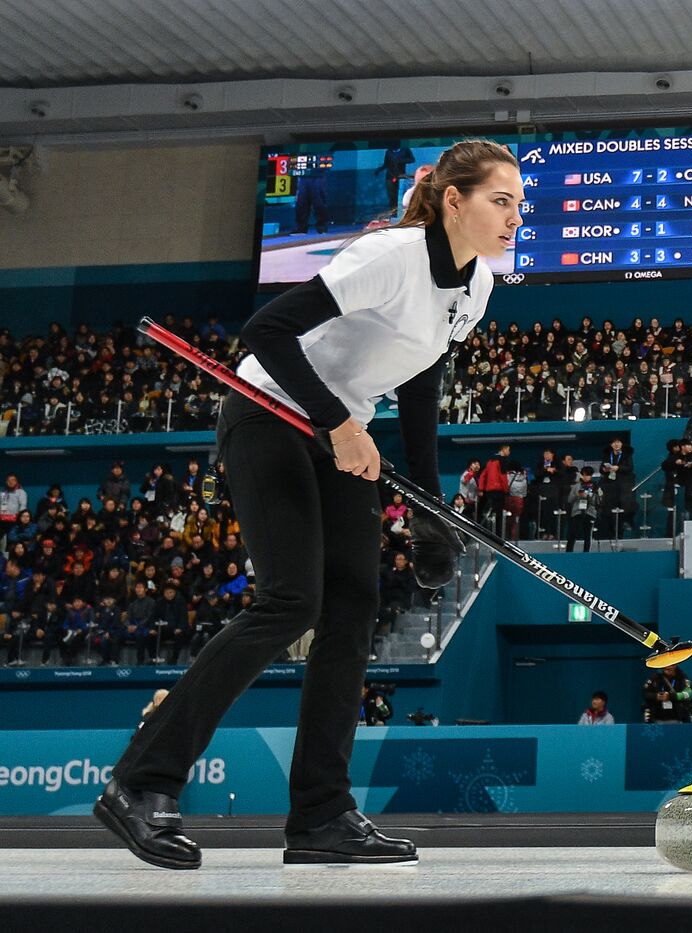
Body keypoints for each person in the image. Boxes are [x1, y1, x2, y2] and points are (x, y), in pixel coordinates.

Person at [95, 139, 523, 871]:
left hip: (337, 430)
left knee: (354, 604)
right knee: (292, 598)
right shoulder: (389, 255)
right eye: (502, 200)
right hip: (269, 414)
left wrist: (429, 509)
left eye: (520, 204)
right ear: (454, 200)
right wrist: (336, 420)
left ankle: (322, 813)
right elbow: (264, 332)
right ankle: (141, 781)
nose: (516, 217)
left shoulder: (476, 286)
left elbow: (420, 388)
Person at [566, 467, 600, 553]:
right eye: (585, 475)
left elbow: (597, 501)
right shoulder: (576, 486)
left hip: (589, 512)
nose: (586, 477)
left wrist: (588, 496)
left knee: (587, 534)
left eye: (588, 475)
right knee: (573, 533)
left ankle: (586, 552)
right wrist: (578, 495)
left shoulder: (595, 486)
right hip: (577, 511)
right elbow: (570, 500)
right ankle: (569, 552)